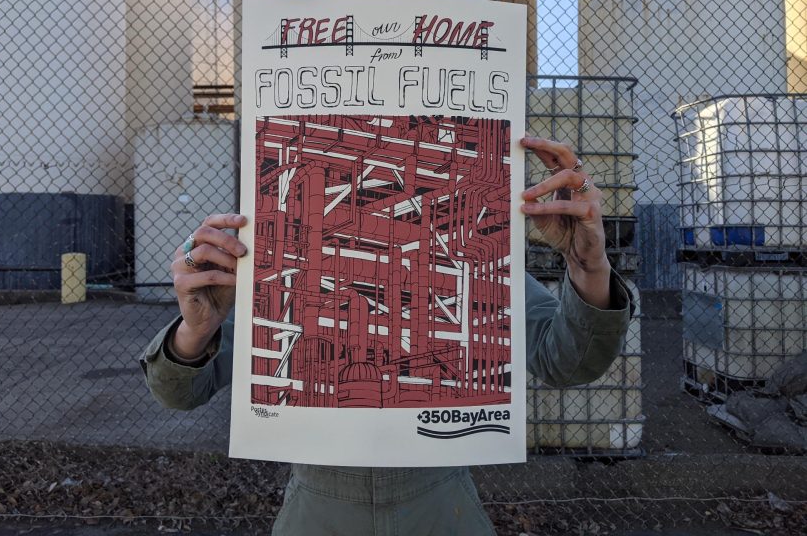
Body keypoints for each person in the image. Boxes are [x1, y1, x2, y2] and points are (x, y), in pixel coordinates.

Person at [140, 136, 633, 536]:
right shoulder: (284, 261)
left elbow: (568, 361)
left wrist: (587, 262)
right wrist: (197, 329)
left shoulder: (471, 258)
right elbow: (180, 392)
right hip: (319, 508)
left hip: (439, 505)